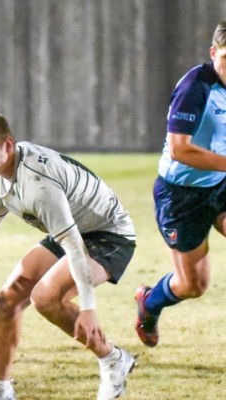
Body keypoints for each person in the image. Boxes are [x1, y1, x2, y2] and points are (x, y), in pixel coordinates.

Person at [0, 110, 137, 400]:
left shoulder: (38, 184)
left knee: (46, 297)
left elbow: (75, 246)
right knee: (8, 300)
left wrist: (89, 310)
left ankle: (113, 359)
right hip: (71, 229)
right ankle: (1, 387)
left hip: (109, 235)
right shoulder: (3, 170)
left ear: (8, 145)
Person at [135, 21, 226, 348]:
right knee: (193, 285)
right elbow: (180, 149)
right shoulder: (195, 87)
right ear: (213, 53)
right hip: (181, 197)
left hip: (221, 185)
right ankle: (149, 302)